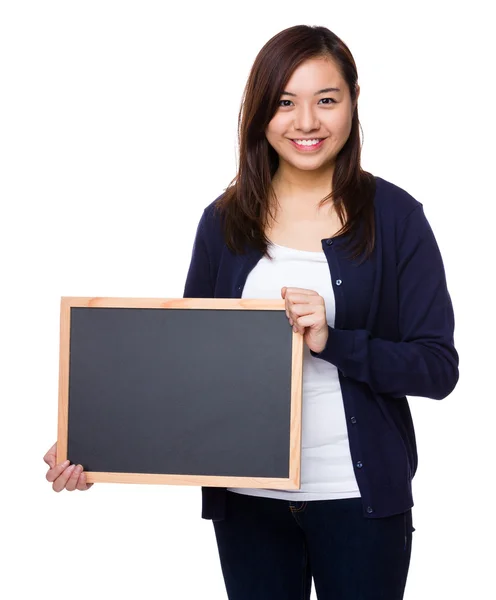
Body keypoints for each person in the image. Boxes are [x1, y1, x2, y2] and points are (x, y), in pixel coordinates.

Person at [44, 24, 459, 600]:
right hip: (248, 506)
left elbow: (437, 368)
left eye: (326, 100)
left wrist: (334, 341)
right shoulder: (224, 222)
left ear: (354, 102)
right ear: (261, 110)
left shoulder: (396, 217)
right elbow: (183, 369)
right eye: (285, 102)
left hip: (359, 502)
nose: (306, 122)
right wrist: (94, 441)